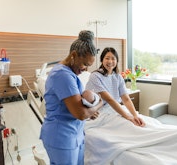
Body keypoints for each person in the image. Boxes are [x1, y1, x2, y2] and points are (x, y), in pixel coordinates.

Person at [40, 30, 103, 165]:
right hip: (61, 137)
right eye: (85, 64)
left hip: (74, 135)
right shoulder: (62, 75)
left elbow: (77, 107)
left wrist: (89, 113)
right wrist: (98, 104)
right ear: (73, 55)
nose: (86, 69)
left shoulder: (71, 74)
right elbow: (80, 113)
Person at [85, 47, 145, 127]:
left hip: (116, 109)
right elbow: (109, 100)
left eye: (113, 59)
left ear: (117, 61)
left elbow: (126, 98)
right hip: (101, 112)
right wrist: (127, 117)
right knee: (129, 125)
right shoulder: (95, 76)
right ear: (102, 60)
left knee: (141, 122)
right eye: (107, 58)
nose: (110, 61)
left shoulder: (118, 77)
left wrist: (135, 115)